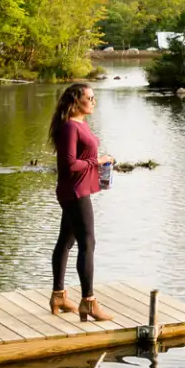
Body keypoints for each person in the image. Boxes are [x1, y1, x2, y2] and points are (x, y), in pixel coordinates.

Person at [48, 83, 117, 322]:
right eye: (90, 97)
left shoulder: (79, 124)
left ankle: (59, 296)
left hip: (77, 190)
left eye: (94, 97)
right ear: (76, 101)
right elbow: (69, 165)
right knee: (88, 244)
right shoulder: (69, 127)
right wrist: (97, 162)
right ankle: (88, 301)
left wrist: (98, 163)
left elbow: (81, 159)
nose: (93, 101)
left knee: (66, 242)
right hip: (75, 192)